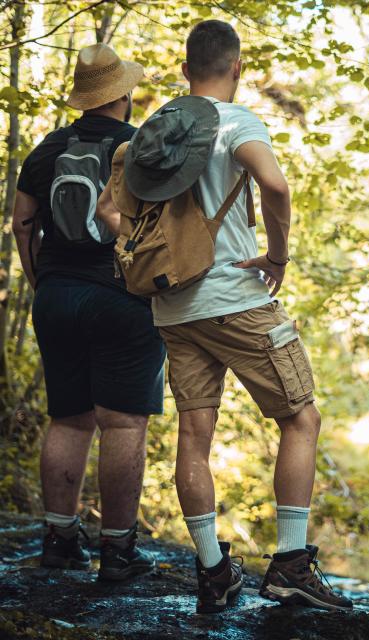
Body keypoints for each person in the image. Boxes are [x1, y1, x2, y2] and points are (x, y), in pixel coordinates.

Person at [97, 20, 352, 612]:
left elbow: (109, 209)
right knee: (301, 419)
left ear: (185, 70)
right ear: (237, 68)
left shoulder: (149, 136)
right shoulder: (237, 122)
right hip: (237, 299)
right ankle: (289, 563)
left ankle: (214, 572)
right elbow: (276, 185)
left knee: (194, 438)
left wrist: (153, 253)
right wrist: (277, 257)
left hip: (172, 309)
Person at [12, 44, 166, 581]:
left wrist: (43, 282)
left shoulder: (46, 148)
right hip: (122, 296)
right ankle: (118, 552)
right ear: (122, 94)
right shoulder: (140, 146)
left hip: (56, 294)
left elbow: (21, 224)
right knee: (122, 420)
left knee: (69, 420)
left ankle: (58, 540)